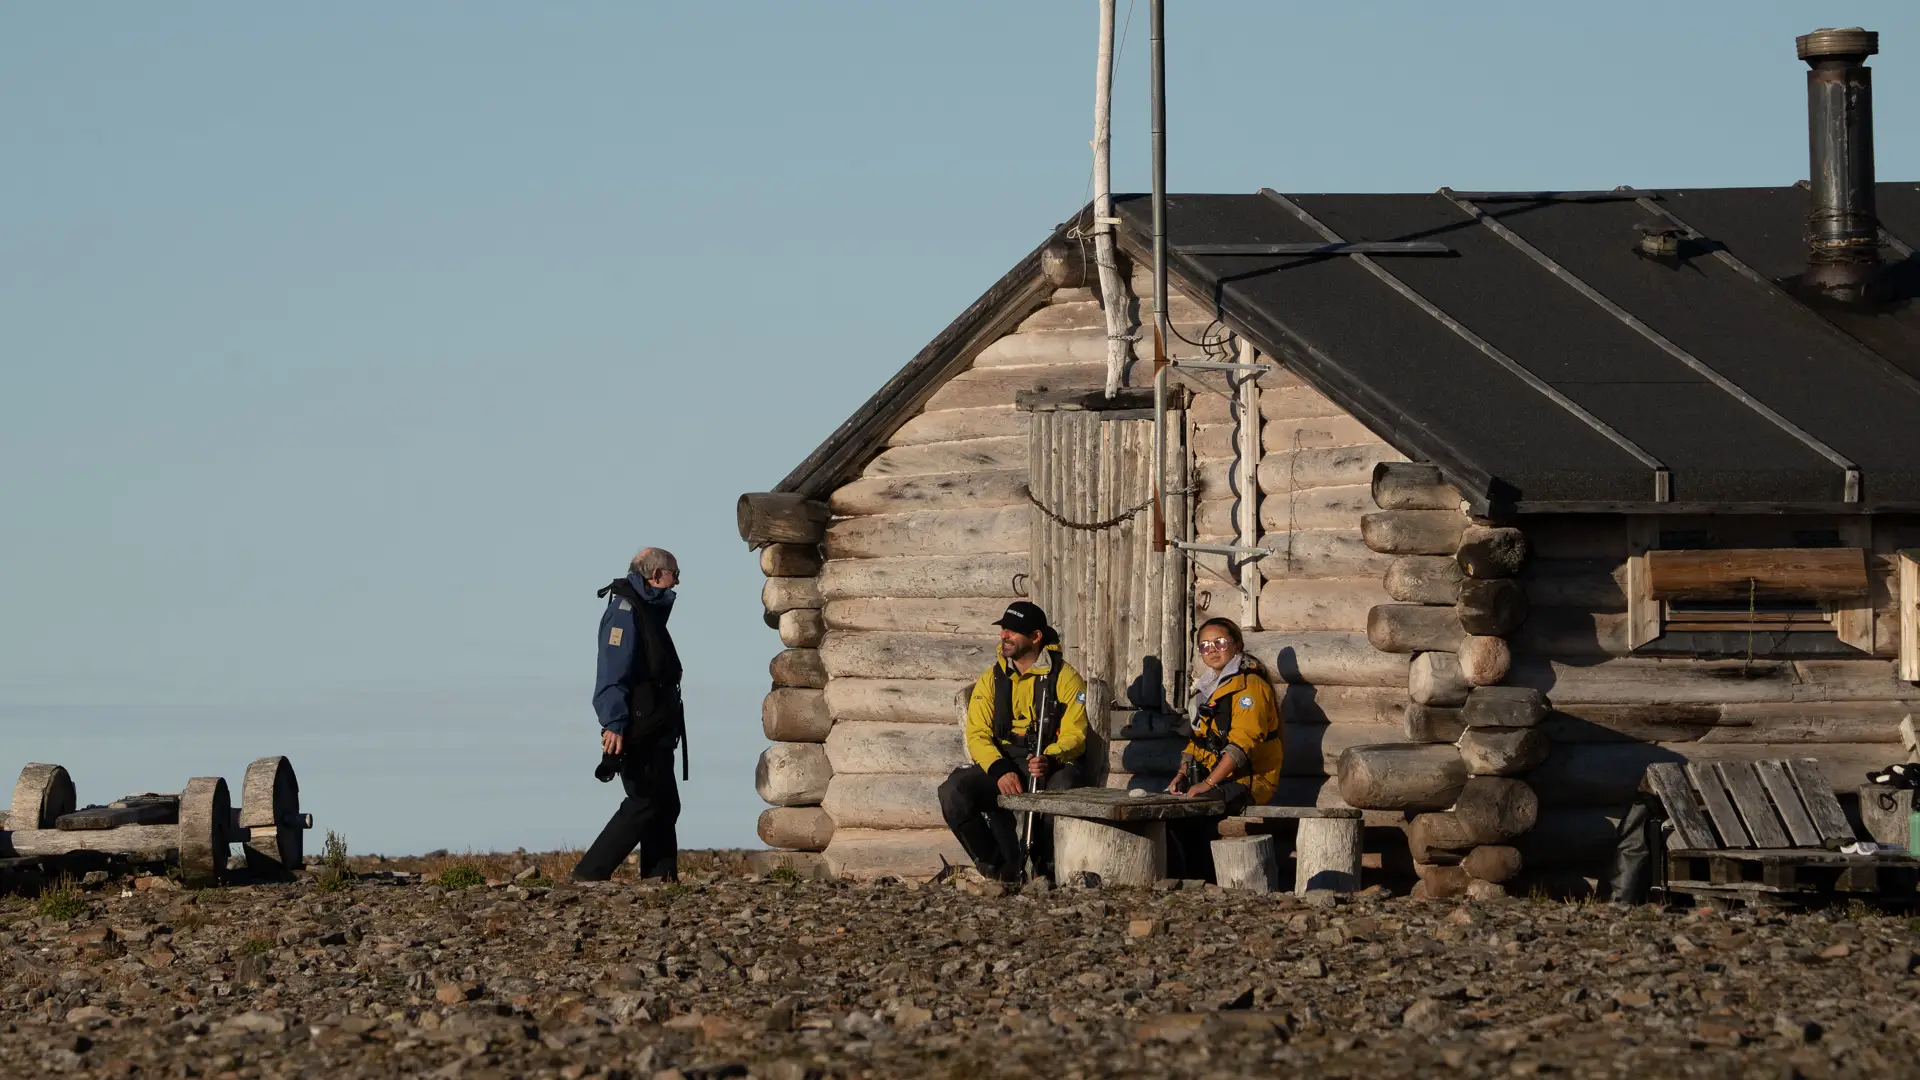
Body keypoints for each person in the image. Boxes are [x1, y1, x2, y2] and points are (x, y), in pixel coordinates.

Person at [936, 601, 1090, 882]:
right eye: (1003, 629)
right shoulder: (992, 679)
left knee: (1061, 797)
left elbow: (1075, 735)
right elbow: (977, 733)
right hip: (1006, 759)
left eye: (1013, 631)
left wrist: (1050, 758)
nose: (1004, 636)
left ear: (1036, 637)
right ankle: (999, 870)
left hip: (1051, 762)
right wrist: (999, 769)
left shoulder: (1066, 678)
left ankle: (1051, 874)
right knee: (953, 791)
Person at [570, 548, 685, 883]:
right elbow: (612, 672)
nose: (677, 581)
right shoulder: (625, 612)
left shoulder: (643, 610)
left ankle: (660, 878)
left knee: (664, 803)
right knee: (645, 800)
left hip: (656, 722)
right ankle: (590, 873)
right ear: (656, 575)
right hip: (639, 725)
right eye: (675, 573)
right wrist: (614, 724)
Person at [1165, 617, 1285, 879]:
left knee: (1196, 812)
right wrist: (1183, 773)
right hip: (1218, 778)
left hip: (1250, 781)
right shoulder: (1208, 689)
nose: (1213, 650)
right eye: (1205, 646)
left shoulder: (1249, 688)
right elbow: (1196, 740)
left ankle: (1206, 881)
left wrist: (1207, 783)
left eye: (1219, 642)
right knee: (1168, 810)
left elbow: (1242, 745)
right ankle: (1185, 882)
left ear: (1237, 646)